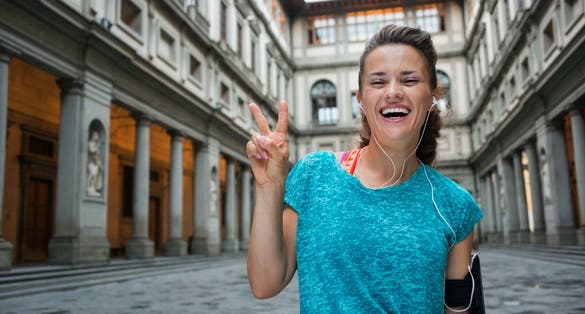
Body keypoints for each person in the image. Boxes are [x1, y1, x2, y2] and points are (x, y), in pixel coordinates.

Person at [246, 24, 483, 313]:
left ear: (433, 96)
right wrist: (268, 186)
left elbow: (457, 309)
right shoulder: (314, 175)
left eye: (409, 80)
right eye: (378, 82)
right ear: (360, 99)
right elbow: (265, 283)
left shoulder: (455, 205)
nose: (393, 92)